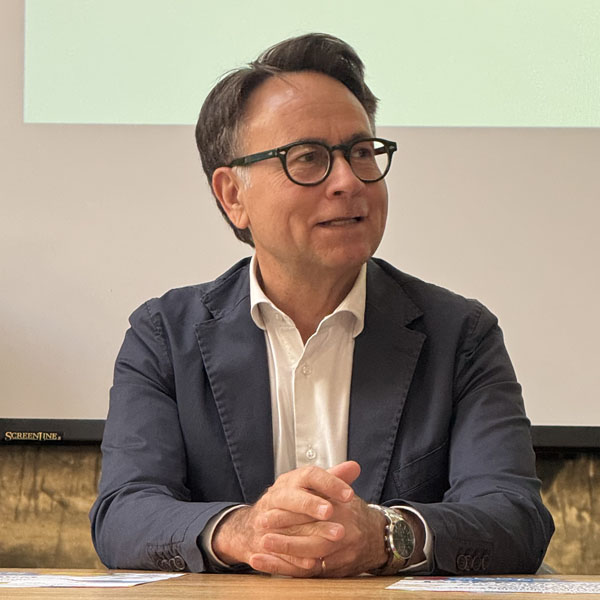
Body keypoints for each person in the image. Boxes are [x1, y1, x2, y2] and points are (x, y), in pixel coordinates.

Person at [90, 33, 554, 577]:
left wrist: (384, 535)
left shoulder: (460, 334)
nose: (348, 181)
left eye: (361, 152)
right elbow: (124, 514)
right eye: (307, 158)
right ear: (233, 195)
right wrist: (245, 530)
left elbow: (514, 518)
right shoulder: (165, 335)